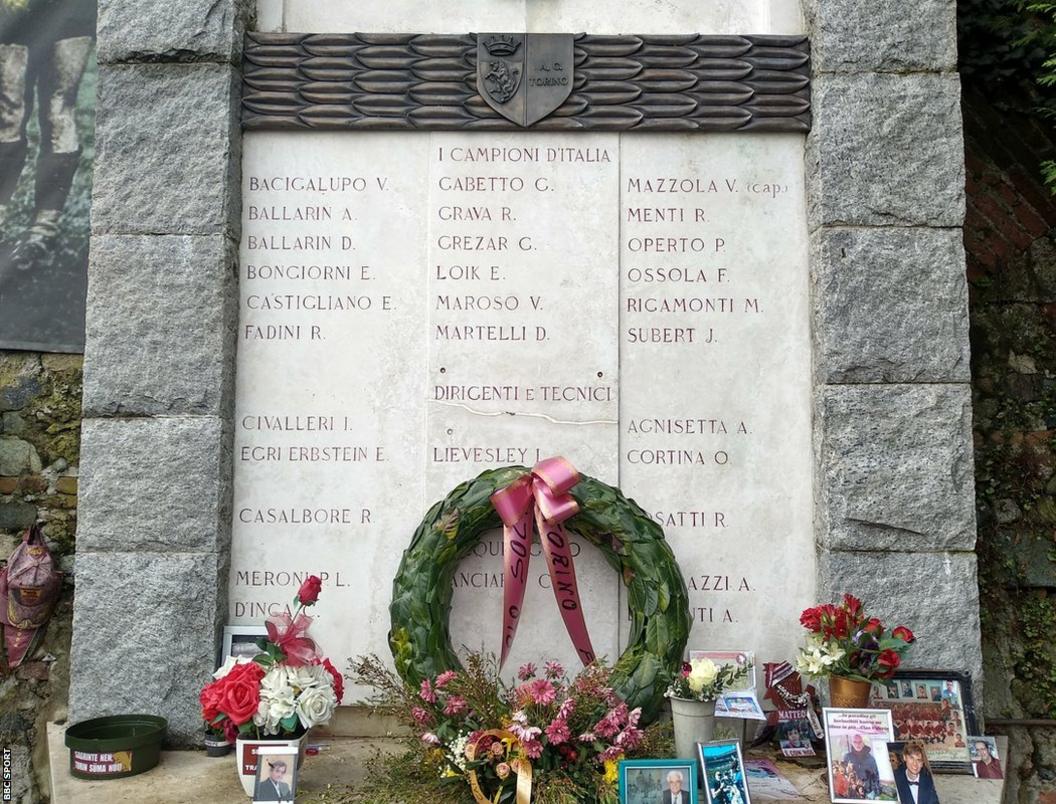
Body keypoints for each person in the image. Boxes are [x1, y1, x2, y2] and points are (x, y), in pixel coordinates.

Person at [0, 0, 95, 270]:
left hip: (71, 12)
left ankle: (43, 232)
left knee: (59, 112)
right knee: (8, 112)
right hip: (16, 12)